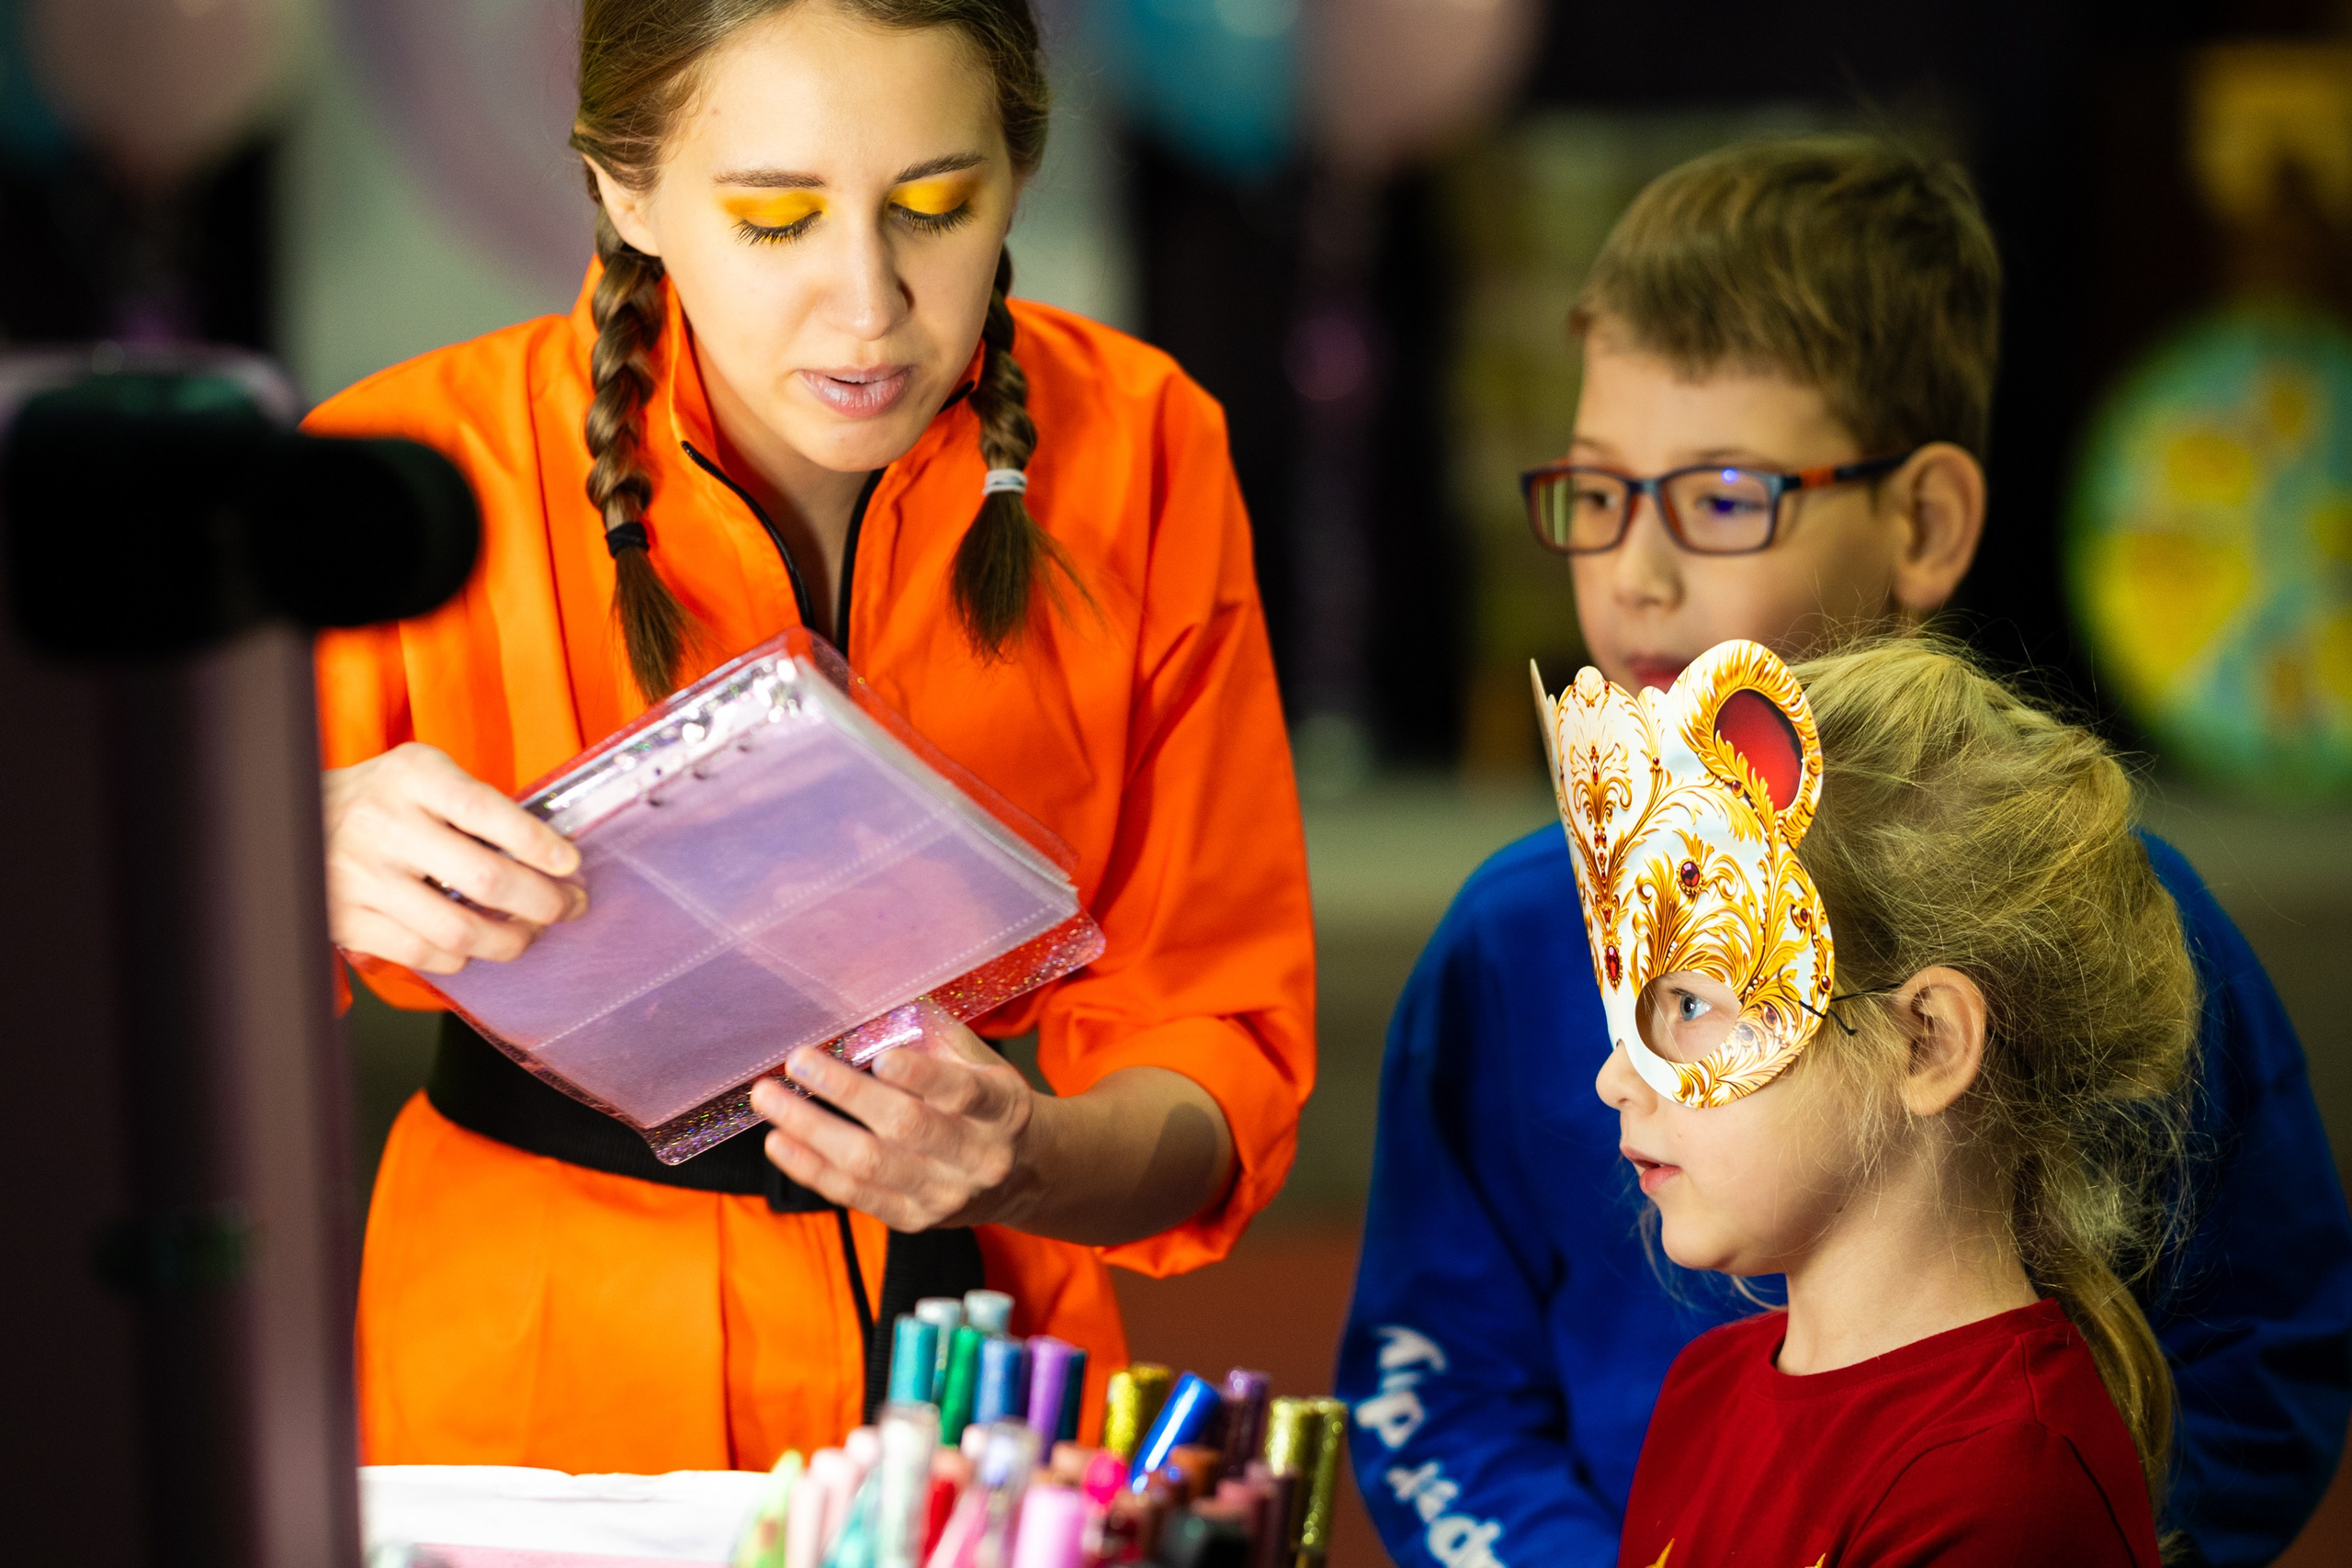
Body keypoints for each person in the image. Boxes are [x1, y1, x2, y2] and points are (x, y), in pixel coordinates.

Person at [312, 0, 1313, 1472]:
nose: (868, 302)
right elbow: (114, 1017)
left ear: (1019, 174)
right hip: (528, 1372)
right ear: (624, 187)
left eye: (937, 205)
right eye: (776, 218)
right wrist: (291, 844)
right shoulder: (400, 475)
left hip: (982, 1383)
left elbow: (1218, 1061)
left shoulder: (1148, 447)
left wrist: (1024, 1154)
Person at [1336, 135, 2352, 1568]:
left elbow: (2270, 1332)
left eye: (1727, 495)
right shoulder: (1510, 939)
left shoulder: (2107, 916)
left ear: (1924, 521)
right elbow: (1433, 1379)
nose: (1638, 567)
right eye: (1597, 489)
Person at [1561, 635, 2188, 1567]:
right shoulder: (1706, 1389)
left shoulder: (2003, 1487)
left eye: (1690, 1004)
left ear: (1926, 1041)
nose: (1617, 1078)